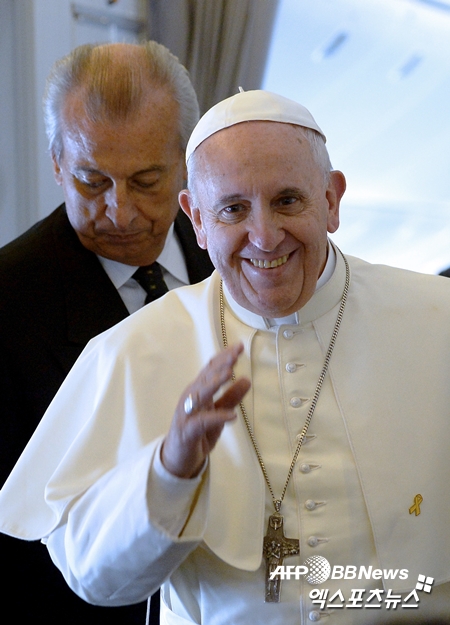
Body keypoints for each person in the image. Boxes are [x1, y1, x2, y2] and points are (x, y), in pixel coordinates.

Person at [1, 90, 449, 624]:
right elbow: (95, 580)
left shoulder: (436, 320)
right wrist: (170, 470)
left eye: (287, 201)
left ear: (331, 200)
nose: (263, 236)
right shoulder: (134, 349)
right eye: (233, 208)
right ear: (196, 218)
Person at [0, 41, 213, 625]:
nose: (121, 213)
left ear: (187, 162)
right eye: (92, 181)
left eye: (147, 181)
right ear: (56, 163)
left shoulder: (234, 254)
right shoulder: (8, 301)